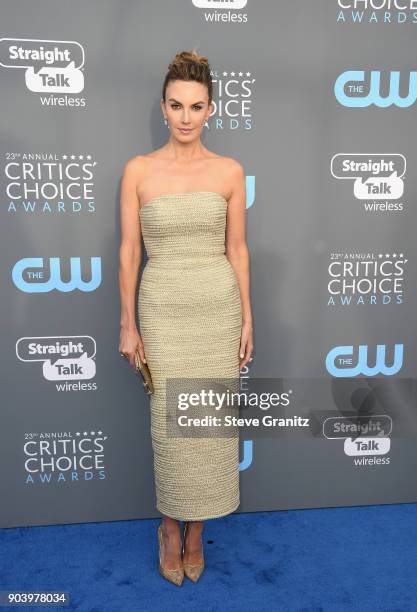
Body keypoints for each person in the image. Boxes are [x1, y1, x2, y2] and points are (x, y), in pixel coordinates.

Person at [118, 49, 253, 585]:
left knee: (207, 425)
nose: (185, 117)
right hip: (162, 306)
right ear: (163, 107)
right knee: (169, 428)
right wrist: (128, 323)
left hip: (216, 306)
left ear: (211, 109)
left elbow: (238, 250)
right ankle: (169, 527)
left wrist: (247, 318)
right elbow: (130, 252)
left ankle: (197, 530)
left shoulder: (229, 172)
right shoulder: (138, 170)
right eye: (176, 105)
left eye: (196, 106)